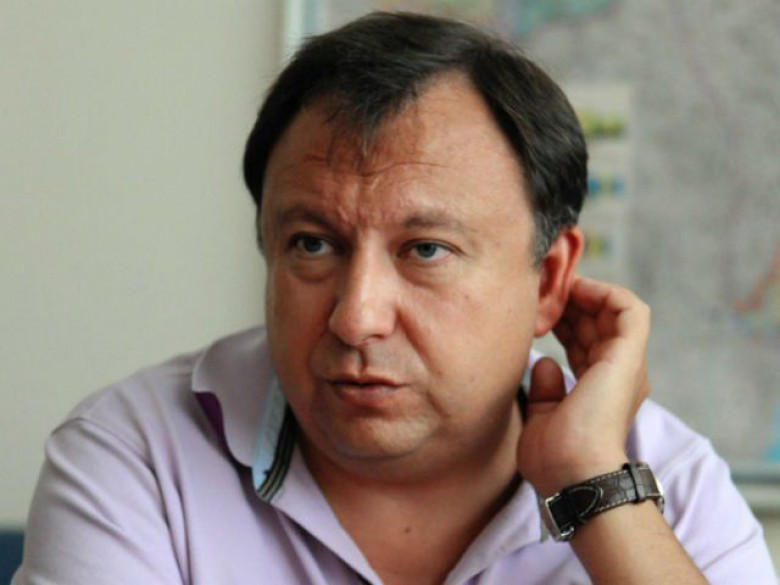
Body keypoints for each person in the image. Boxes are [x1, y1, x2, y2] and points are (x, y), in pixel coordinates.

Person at [14, 11, 776, 585]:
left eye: (426, 250)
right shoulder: (138, 453)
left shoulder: (665, 478)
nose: (356, 317)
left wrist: (595, 489)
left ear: (548, 280)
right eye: (313, 244)